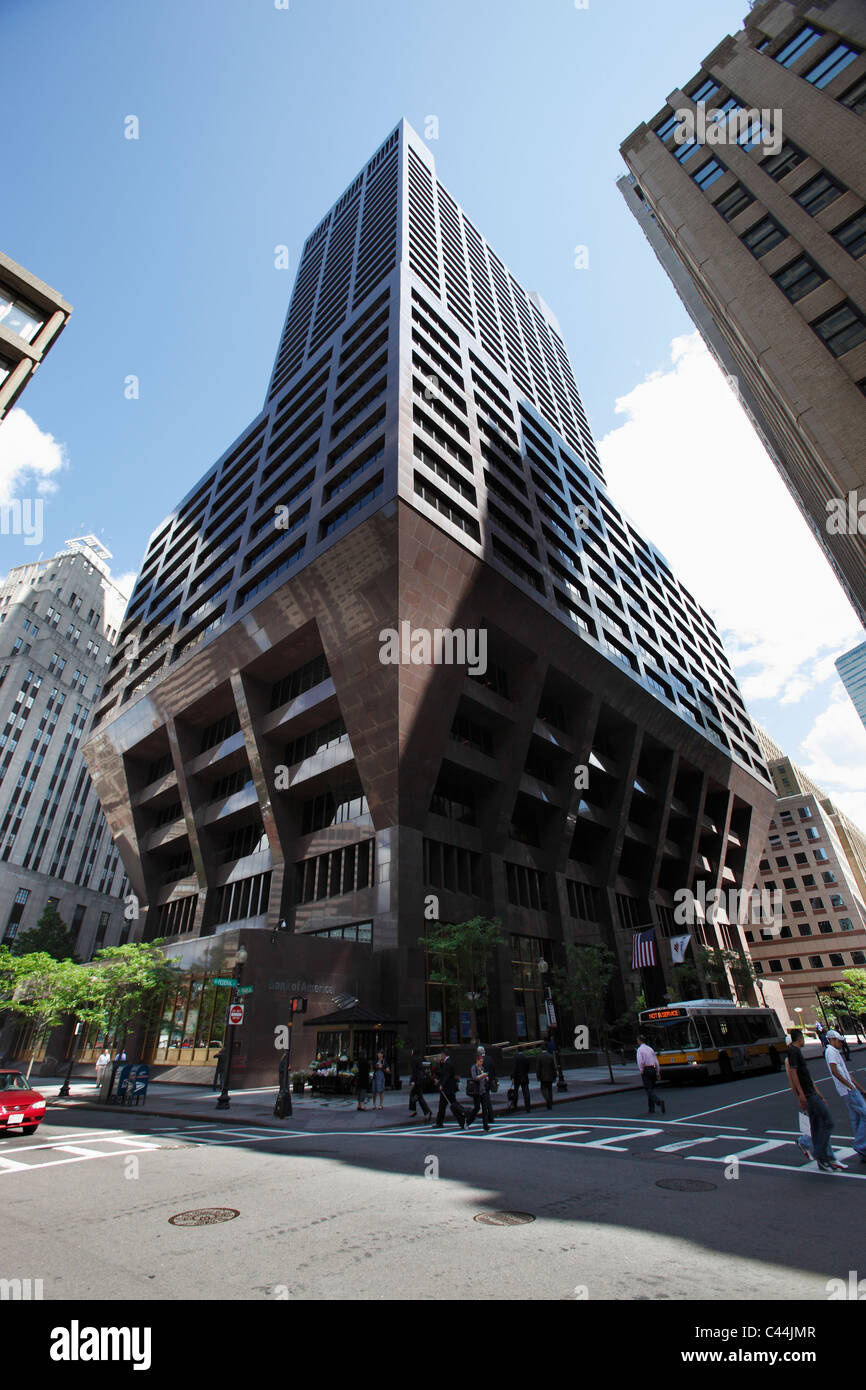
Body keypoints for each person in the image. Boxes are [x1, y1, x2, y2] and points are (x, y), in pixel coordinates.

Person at [786, 1027, 845, 1172]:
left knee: (818, 1126)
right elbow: (793, 1075)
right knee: (827, 1123)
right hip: (808, 1095)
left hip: (811, 1093)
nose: (804, 1040)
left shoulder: (796, 1052)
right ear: (799, 1039)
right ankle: (821, 1155)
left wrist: (819, 1094)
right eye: (803, 1038)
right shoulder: (793, 1052)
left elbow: (807, 1077)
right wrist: (801, 1095)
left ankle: (823, 1158)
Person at [824, 1029, 866, 1164]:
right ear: (831, 1040)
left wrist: (860, 1089)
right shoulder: (830, 1052)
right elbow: (835, 1071)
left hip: (849, 1090)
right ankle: (860, 1145)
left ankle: (863, 1152)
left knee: (857, 1120)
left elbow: (847, 1073)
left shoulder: (834, 1052)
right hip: (848, 1091)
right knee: (864, 1115)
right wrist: (851, 1087)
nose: (841, 1043)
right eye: (838, 1041)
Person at [434, 1052, 467, 1128]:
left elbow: (446, 1075)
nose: (440, 1057)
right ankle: (461, 1119)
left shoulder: (448, 1063)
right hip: (449, 1088)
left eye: (440, 1055)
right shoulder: (447, 1062)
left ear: (444, 1055)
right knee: (449, 1104)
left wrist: (442, 1085)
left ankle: (463, 1115)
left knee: (450, 1105)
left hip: (447, 1088)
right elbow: (443, 1073)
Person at [636, 1034, 665, 1115]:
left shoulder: (639, 1050)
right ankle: (651, 1108)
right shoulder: (650, 1049)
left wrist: (641, 1070)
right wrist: (658, 1071)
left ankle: (658, 1101)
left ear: (639, 1041)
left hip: (646, 1070)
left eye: (637, 1040)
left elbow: (640, 1061)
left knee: (648, 1089)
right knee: (651, 1088)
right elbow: (656, 1061)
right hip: (653, 1068)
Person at [466, 1048, 493, 1132]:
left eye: (482, 1061)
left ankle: (486, 1126)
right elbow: (474, 1078)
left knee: (484, 1108)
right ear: (477, 1061)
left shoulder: (482, 1068)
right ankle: (468, 1122)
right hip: (476, 1091)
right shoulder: (473, 1068)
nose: (482, 1062)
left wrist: (486, 1077)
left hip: (482, 1090)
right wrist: (483, 1076)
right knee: (477, 1108)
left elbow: (483, 1077)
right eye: (480, 1061)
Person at [408, 1049, 432, 1121]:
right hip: (421, 1079)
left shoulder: (413, 1059)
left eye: (412, 1051)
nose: (411, 1052)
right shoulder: (420, 1058)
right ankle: (414, 1110)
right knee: (413, 1094)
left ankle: (427, 1111)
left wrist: (413, 1081)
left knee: (419, 1096)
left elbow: (414, 1071)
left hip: (417, 1080)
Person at [511, 1047, 531, 1113]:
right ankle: (528, 1107)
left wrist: (513, 1077)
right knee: (526, 1093)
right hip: (524, 1077)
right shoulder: (525, 1057)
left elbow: (514, 1068)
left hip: (517, 1077)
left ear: (517, 1050)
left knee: (516, 1092)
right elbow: (528, 1067)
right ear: (523, 1050)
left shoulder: (515, 1057)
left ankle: (514, 1106)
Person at [536, 1045, 557, 1109]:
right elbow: (553, 1067)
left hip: (543, 1076)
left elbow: (538, 1068)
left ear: (541, 1049)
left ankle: (547, 1099)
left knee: (543, 1089)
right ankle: (550, 1102)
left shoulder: (539, 1057)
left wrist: (538, 1076)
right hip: (550, 1076)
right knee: (550, 1089)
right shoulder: (550, 1056)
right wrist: (554, 1076)